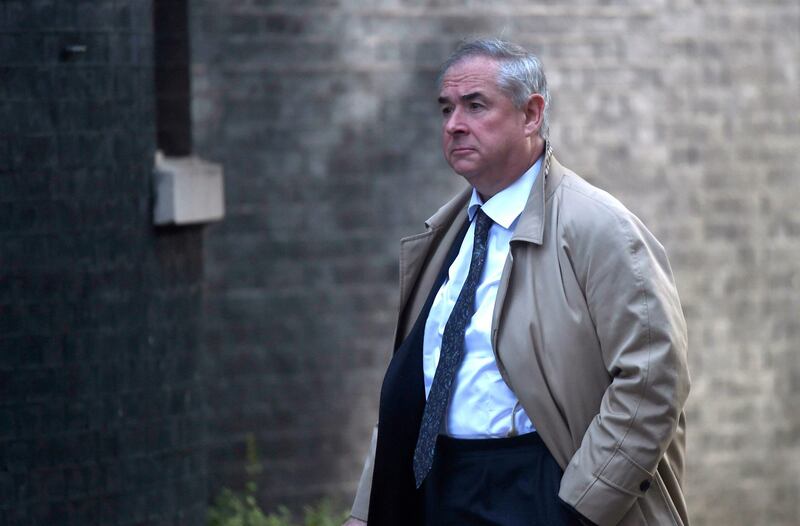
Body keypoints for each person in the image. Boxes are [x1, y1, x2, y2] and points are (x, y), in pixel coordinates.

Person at [343, 38, 690, 526]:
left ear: (531, 115)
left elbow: (653, 381)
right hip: (438, 490)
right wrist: (367, 513)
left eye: (475, 105)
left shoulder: (600, 227)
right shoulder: (447, 235)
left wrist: (581, 508)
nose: (454, 124)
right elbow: (412, 386)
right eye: (446, 109)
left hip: (542, 490)